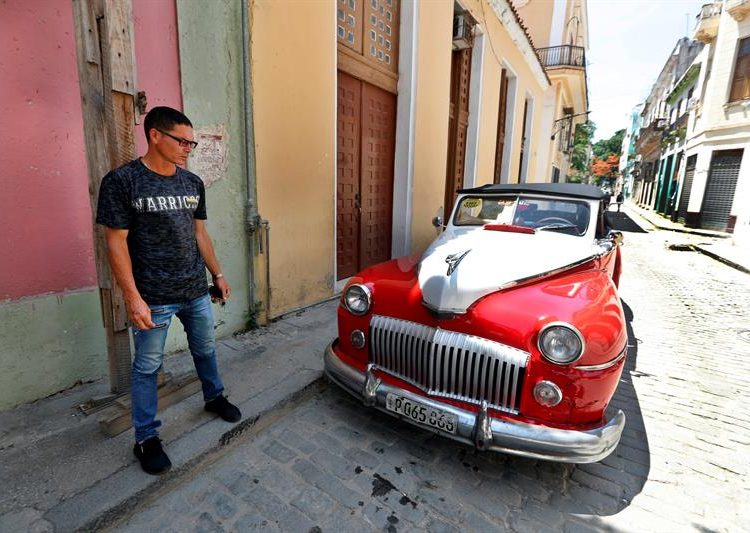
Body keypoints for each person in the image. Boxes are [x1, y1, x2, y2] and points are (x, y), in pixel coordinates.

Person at [96, 106, 241, 475]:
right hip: (153, 297)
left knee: (206, 348)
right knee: (146, 368)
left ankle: (214, 397)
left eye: (192, 142)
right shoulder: (122, 181)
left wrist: (218, 274)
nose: (188, 148)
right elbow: (115, 244)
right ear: (156, 135)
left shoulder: (191, 183)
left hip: (194, 289)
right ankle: (146, 438)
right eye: (182, 141)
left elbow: (199, 234)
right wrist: (132, 297)